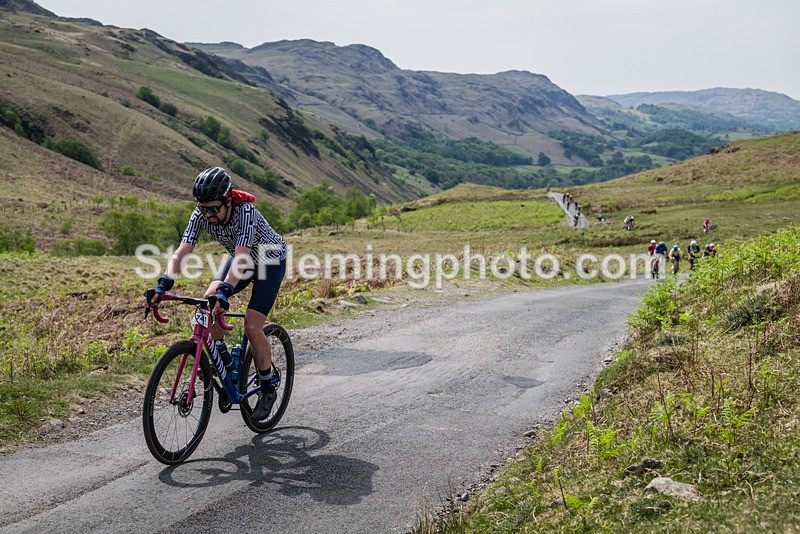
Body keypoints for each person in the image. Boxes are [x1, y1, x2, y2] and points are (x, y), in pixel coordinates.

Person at [148, 167, 288, 422]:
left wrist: (226, 290)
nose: (209, 214)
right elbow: (183, 251)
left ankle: (267, 389)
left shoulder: (246, 212)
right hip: (240, 260)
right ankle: (224, 362)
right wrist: (164, 283)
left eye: (214, 208)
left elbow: (243, 255)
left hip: (269, 262)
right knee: (207, 303)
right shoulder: (201, 214)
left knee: (252, 325)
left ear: (228, 200)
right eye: (204, 208)